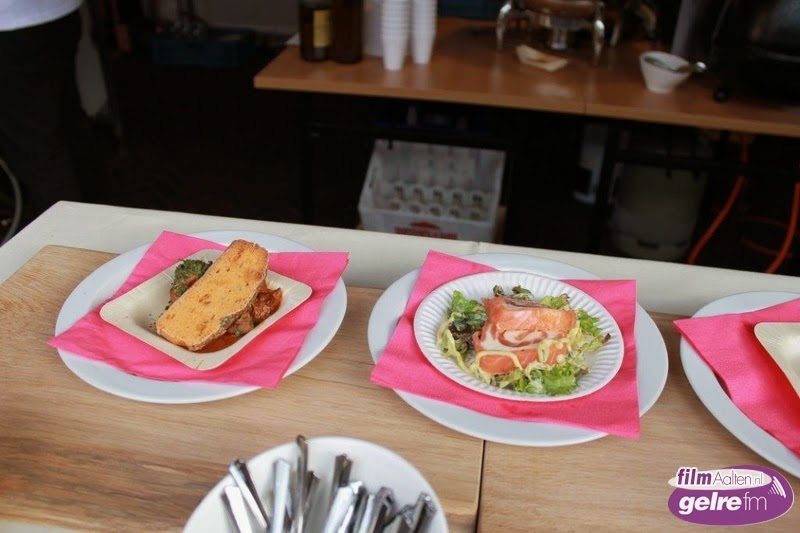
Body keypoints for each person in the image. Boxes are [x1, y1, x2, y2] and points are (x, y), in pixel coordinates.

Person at [0, 0, 87, 226]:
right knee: (70, 134)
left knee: (38, 152)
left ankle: (70, 238)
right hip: (57, 12)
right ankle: (100, 230)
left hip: (10, 25)